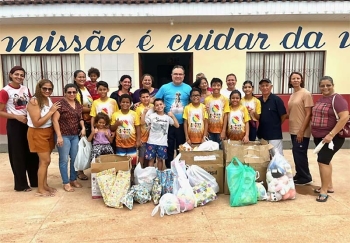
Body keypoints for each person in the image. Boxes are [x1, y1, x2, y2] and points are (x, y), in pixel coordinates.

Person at [0, 66, 39, 192]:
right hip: (15, 125)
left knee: (32, 153)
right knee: (18, 155)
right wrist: (16, 117)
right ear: (11, 75)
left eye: (22, 75)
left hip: (28, 123)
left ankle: (35, 181)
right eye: (16, 74)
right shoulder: (5, 91)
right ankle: (21, 184)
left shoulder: (25, 89)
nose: (19, 77)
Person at [311, 76, 349, 202]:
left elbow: (344, 117)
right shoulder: (322, 98)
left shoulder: (337, 99)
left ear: (333, 85)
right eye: (322, 86)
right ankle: (329, 186)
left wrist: (331, 134)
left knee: (323, 161)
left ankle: (324, 191)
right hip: (320, 137)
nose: (325, 88)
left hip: (332, 138)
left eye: (328, 85)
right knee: (325, 161)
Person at [27, 79, 60, 197]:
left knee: (45, 161)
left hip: (48, 131)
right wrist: (51, 112)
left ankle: (44, 185)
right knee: (45, 161)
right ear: (39, 88)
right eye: (44, 88)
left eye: (50, 89)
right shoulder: (34, 101)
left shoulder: (48, 99)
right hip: (37, 132)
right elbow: (36, 122)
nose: (47, 91)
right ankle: (40, 189)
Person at [154, 65, 191, 168]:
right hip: (167, 124)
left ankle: (181, 168)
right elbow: (155, 101)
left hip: (182, 124)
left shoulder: (188, 88)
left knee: (181, 147)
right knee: (169, 147)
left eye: (180, 74)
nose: (178, 76)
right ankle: (169, 168)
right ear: (171, 75)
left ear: (183, 76)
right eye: (175, 74)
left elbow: (194, 102)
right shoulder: (164, 87)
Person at [52, 84, 85, 192]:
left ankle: (73, 179)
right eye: (69, 92)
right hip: (63, 135)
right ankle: (66, 182)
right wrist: (59, 136)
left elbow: (80, 118)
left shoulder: (78, 104)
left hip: (74, 135)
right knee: (64, 159)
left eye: (74, 92)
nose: (72, 94)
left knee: (75, 159)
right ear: (65, 92)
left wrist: (83, 127)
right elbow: (55, 120)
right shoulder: (60, 104)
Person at [288, 72, 314, 185]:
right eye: (293, 78)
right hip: (293, 128)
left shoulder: (306, 93)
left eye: (298, 78)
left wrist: (302, 130)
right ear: (290, 81)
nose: (295, 80)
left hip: (301, 129)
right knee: (296, 152)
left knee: (300, 152)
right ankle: (299, 173)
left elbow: (308, 114)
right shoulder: (293, 94)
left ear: (301, 80)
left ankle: (305, 177)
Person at [141, 98, 179, 170]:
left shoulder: (167, 117)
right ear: (154, 107)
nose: (159, 106)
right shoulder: (152, 116)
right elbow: (142, 123)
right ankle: (150, 175)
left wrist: (172, 116)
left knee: (160, 160)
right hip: (151, 142)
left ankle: (159, 175)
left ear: (164, 105)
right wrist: (144, 113)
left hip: (162, 143)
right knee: (151, 160)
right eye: (157, 105)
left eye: (161, 104)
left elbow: (177, 125)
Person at [257, 78, 287, 155]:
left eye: (267, 85)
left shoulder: (277, 100)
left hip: (275, 135)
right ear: (259, 88)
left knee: (277, 156)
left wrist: (276, 125)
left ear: (271, 87)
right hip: (262, 134)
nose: (265, 88)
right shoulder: (258, 101)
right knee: (264, 156)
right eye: (262, 86)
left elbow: (283, 115)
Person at [110, 94, 140, 166]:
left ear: (130, 104)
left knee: (132, 161)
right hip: (120, 143)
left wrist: (138, 140)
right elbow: (112, 128)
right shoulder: (115, 114)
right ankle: (123, 175)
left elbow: (137, 127)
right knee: (121, 161)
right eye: (123, 102)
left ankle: (131, 174)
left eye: (127, 102)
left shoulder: (134, 114)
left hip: (132, 142)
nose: (125, 104)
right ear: (120, 103)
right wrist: (116, 124)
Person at [73, 70, 93, 180]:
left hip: (89, 120)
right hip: (81, 122)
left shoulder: (86, 89)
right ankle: (79, 171)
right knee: (80, 146)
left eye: (83, 77)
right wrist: (92, 110)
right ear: (75, 78)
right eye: (79, 77)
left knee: (87, 146)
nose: (82, 79)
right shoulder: (75, 91)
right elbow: (78, 107)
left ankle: (83, 168)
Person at [204, 78, 230, 147]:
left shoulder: (225, 99)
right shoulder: (207, 99)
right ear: (211, 86)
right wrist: (205, 131)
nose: (216, 87)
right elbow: (205, 116)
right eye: (214, 85)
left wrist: (224, 131)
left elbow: (226, 115)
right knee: (210, 150)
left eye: (218, 85)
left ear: (221, 87)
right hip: (209, 131)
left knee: (221, 150)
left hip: (220, 131)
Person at [135, 89, 154, 167]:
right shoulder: (138, 109)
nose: (146, 99)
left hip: (152, 137)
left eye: (147, 96)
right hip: (143, 137)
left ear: (150, 97)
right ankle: (140, 171)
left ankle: (148, 172)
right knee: (142, 156)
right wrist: (138, 139)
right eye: (143, 97)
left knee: (150, 157)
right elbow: (138, 124)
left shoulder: (153, 106)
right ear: (140, 98)